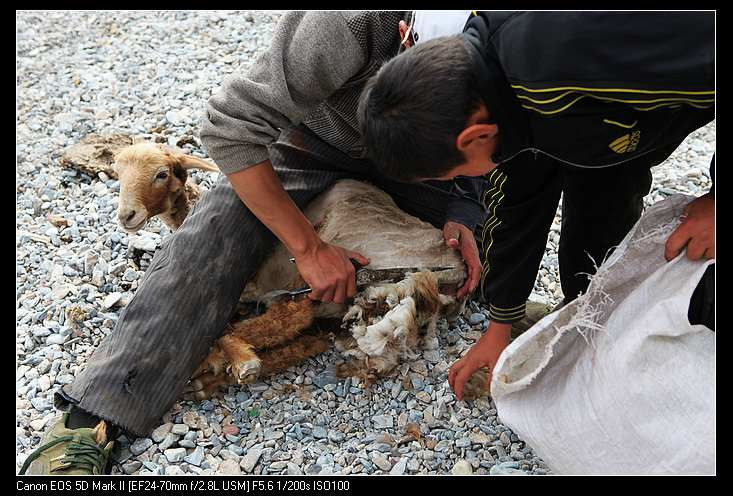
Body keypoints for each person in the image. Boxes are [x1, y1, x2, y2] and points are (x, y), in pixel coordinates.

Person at [21, 11, 492, 475]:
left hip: (436, 164)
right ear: (405, 35)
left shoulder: (498, 44)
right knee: (210, 240)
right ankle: (92, 416)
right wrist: (308, 248)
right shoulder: (346, 22)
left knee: (465, 267)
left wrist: (464, 209)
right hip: (311, 143)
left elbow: (497, 145)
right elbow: (230, 126)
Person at [357, 11, 715, 401]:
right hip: (617, 125)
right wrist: (501, 323)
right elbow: (519, 192)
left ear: (476, 135)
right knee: (602, 188)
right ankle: (591, 323)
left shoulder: (576, 56)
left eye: (454, 174)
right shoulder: (492, 86)